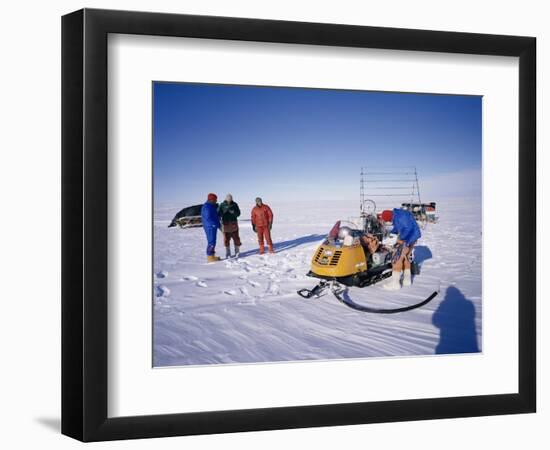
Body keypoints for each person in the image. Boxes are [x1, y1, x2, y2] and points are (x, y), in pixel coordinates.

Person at [384, 207, 421, 290]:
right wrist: (392, 233)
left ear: (389, 217)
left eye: (388, 220)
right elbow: (398, 227)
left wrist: (401, 240)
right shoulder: (398, 215)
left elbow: (407, 228)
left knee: (396, 258)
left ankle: (395, 283)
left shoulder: (399, 216)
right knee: (405, 257)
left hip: (408, 237)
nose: (389, 222)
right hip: (413, 236)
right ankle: (407, 280)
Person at [217, 194, 242, 258]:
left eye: (230, 200)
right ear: (226, 199)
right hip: (225, 224)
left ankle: (237, 252)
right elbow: (218, 213)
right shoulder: (222, 205)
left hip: (234, 224)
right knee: (226, 239)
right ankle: (228, 253)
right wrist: (224, 212)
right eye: (228, 200)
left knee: (236, 238)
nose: (229, 201)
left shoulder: (234, 204)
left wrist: (233, 212)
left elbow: (238, 213)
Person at [200, 193, 221, 262]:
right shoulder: (207, 207)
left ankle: (212, 255)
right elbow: (208, 218)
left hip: (212, 226)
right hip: (210, 227)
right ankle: (210, 257)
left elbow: (214, 216)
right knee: (211, 242)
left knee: (213, 241)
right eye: (215, 200)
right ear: (211, 199)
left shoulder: (211, 206)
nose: (216, 201)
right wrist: (215, 224)